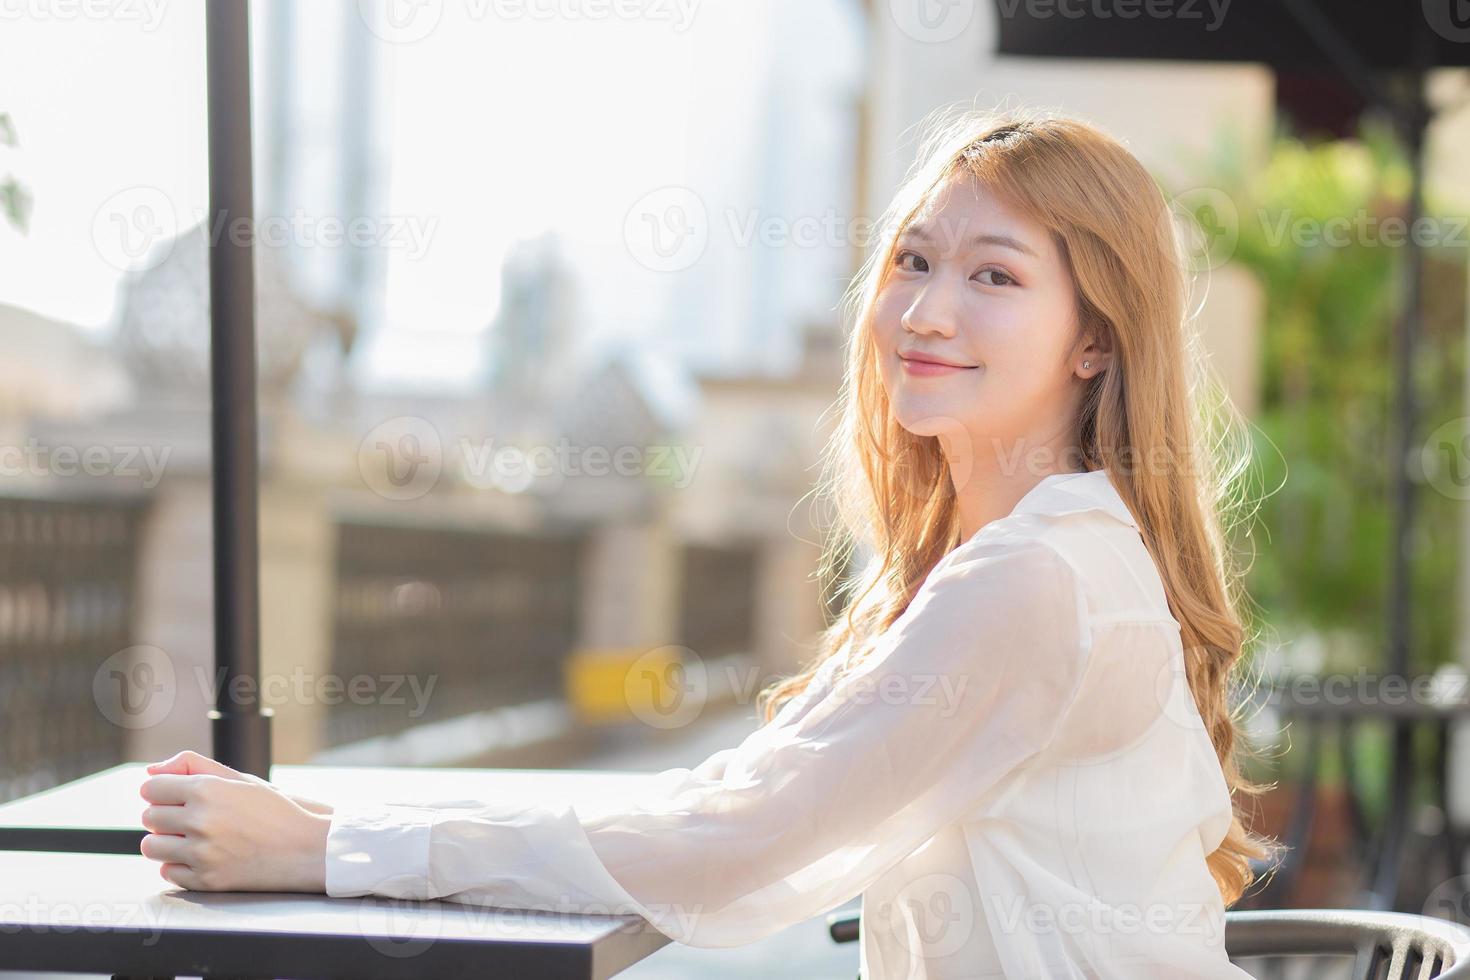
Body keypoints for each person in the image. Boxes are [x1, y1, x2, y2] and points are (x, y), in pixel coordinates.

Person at [138, 107, 1274, 978]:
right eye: (914, 261)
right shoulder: (1046, 548)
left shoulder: (1034, 579)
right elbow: (737, 793)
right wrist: (337, 825)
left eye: (995, 276)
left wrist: (325, 853)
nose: (926, 311)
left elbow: (731, 844)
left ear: (1094, 342)